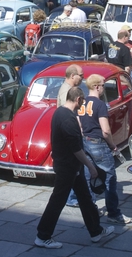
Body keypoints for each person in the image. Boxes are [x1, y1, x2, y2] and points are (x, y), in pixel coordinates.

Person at [34, 86, 112, 248]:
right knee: (57, 201)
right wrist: (91, 167)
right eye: (82, 102)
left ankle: (96, 231)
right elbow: (76, 149)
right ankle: (43, 236)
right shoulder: (68, 119)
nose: (82, 105)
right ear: (77, 99)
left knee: (85, 198)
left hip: (70, 167)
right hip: (67, 167)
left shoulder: (59, 113)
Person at [80, 74, 130, 225]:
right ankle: (113, 213)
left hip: (84, 142)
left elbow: (80, 125)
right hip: (98, 142)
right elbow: (106, 131)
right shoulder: (100, 104)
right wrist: (112, 145)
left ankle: (92, 209)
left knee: (89, 176)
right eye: (102, 85)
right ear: (96, 87)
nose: (103, 88)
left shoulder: (82, 102)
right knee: (109, 178)